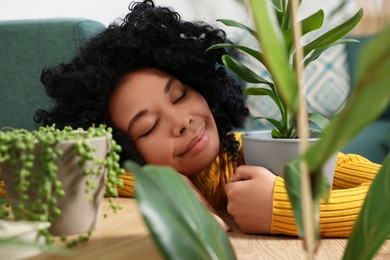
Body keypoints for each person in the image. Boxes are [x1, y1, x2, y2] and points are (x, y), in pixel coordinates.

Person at [34, 0, 381, 237]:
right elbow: (16, 179)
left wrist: (284, 208)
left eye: (181, 94)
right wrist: (147, 181)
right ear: (122, 148)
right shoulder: (120, 177)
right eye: (148, 126)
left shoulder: (253, 152)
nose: (181, 120)